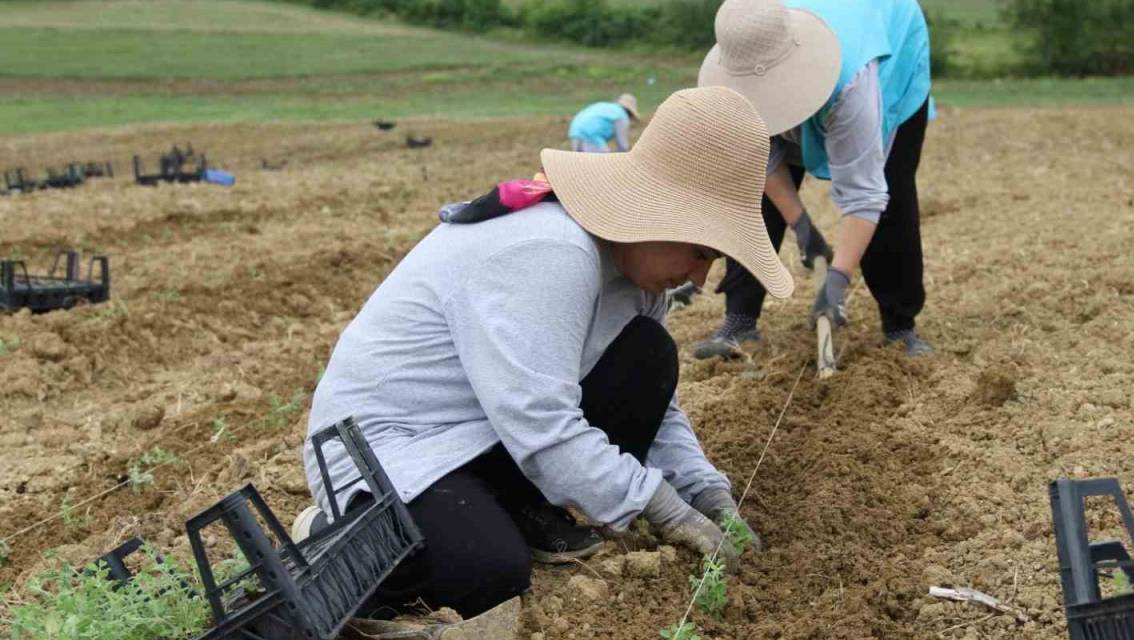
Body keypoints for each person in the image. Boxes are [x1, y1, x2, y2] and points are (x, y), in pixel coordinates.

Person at [293, 87, 787, 622]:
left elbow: (657, 410)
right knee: (486, 573)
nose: (699, 277)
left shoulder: (639, 279)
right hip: (392, 448)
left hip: (482, 433)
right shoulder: (551, 251)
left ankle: (511, 507)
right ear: (658, 213)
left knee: (648, 356)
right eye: (700, 252)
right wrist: (661, 506)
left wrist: (706, 491)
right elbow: (540, 421)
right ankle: (339, 530)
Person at [693, 0, 935, 359]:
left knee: (892, 198)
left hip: (890, 52)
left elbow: (865, 195)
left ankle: (899, 326)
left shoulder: (852, 79)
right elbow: (761, 160)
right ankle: (739, 320)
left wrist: (836, 280)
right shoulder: (740, 60)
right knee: (752, 200)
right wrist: (803, 227)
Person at [567, 93, 640, 153]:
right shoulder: (622, 116)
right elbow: (623, 146)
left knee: (579, 165)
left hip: (575, 132)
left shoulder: (606, 106)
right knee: (603, 163)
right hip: (591, 136)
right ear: (630, 112)